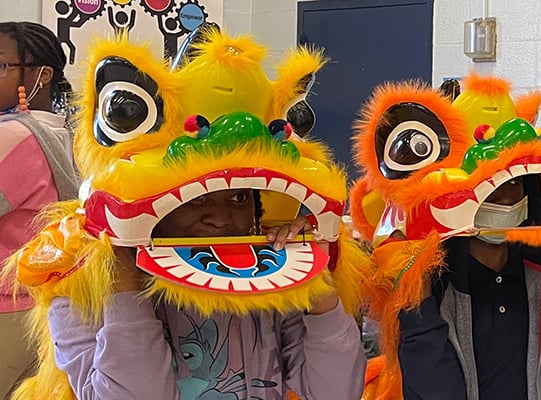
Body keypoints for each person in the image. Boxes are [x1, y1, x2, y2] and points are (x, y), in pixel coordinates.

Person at [47, 188, 366, 400]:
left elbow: (335, 392)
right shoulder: (78, 294)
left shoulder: (269, 279)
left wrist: (317, 287)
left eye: (239, 197)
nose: (221, 218)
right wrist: (125, 285)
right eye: (197, 198)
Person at [396, 176, 541, 400]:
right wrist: (417, 289)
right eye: (492, 183)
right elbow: (432, 388)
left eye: (515, 182)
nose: (507, 196)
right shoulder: (432, 285)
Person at [0, 21, 78, 397]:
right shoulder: (68, 133)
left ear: (42, 75)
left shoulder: (12, 134)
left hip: (7, 313)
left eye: (0, 66)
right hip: (50, 309)